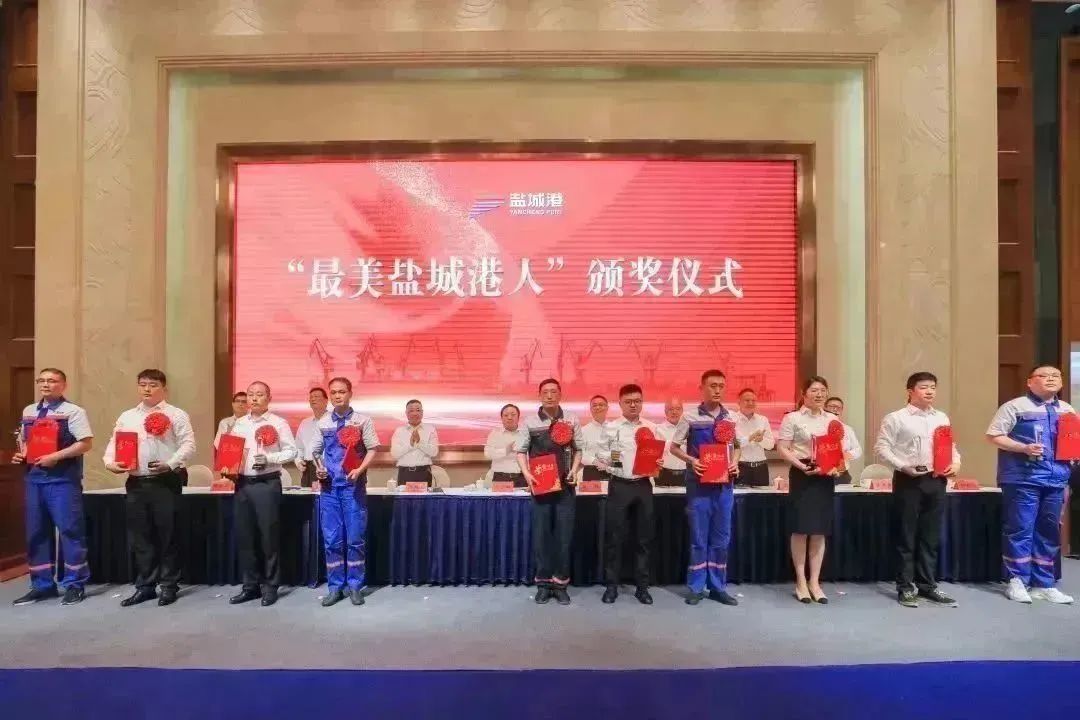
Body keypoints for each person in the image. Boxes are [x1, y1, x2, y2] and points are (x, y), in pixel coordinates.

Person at [103, 369, 196, 607]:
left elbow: (188, 445)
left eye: (153, 385)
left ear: (164, 389)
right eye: (142, 384)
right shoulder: (127, 416)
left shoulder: (176, 414)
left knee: (168, 535)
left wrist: (170, 464)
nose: (147, 389)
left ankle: (169, 586)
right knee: (140, 537)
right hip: (136, 482)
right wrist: (110, 463)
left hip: (166, 481)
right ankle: (145, 587)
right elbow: (114, 443)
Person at [986, 364, 1076, 604]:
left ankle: (1043, 584)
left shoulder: (1067, 409)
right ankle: (1017, 581)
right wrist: (1023, 447)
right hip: (1023, 478)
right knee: (1020, 529)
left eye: (1055, 375)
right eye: (1044, 375)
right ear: (1030, 381)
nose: (1050, 379)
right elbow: (993, 435)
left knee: (1049, 531)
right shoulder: (1015, 406)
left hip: (1056, 479)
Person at [874, 372, 960, 608]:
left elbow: (950, 446)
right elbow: (881, 448)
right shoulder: (896, 418)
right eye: (924, 387)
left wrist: (956, 463)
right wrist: (903, 466)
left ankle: (927, 585)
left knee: (930, 536)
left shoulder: (941, 417)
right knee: (907, 534)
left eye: (933, 387)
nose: (929, 391)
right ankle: (905, 587)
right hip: (909, 479)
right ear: (910, 391)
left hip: (937, 479)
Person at [11, 368, 94, 606]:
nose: (46, 384)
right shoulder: (29, 410)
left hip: (62, 480)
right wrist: (22, 454)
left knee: (70, 531)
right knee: (36, 532)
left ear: (63, 385)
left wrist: (56, 456)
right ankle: (42, 585)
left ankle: (74, 585)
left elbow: (85, 444)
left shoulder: (73, 412)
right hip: (34, 479)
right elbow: (27, 442)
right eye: (42, 380)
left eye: (52, 380)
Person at [670, 369, 741, 606]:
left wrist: (735, 462)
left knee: (722, 538)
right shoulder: (690, 417)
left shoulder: (731, 417)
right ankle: (696, 587)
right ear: (701, 388)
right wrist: (693, 461)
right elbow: (674, 447)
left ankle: (718, 587)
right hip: (699, 486)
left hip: (724, 487)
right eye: (712, 385)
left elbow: (737, 446)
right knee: (699, 538)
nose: (717, 390)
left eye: (721, 386)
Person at [310, 377, 379, 607]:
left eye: (342, 391)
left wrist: (360, 469)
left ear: (350, 393)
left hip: (353, 488)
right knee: (332, 540)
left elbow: (373, 448)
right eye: (333, 392)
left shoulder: (362, 420)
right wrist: (319, 468)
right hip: (329, 489)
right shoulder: (323, 422)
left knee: (355, 540)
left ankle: (355, 586)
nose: (337, 396)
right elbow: (315, 451)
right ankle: (335, 587)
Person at [226, 381, 296, 607]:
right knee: (245, 537)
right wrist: (228, 467)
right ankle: (250, 586)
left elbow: (292, 451)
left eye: (259, 394)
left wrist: (269, 459)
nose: (254, 398)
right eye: (250, 394)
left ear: (269, 398)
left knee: (268, 537)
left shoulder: (278, 423)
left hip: (267, 484)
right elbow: (231, 451)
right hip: (242, 484)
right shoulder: (239, 423)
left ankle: (270, 586)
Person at [516, 378, 583, 605]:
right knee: (542, 536)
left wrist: (574, 470)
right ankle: (543, 584)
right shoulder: (530, 422)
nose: (550, 395)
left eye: (554, 391)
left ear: (560, 394)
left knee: (564, 537)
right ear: (539, 395)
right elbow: (521, 451)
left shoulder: (571, 419)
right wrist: (527, 474)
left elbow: (579, 449)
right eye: (545, 392)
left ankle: (561, 583)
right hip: (541, 487)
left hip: (566, 487)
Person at [777, 376, 841, 604]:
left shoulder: (833, 419)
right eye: (814, 390)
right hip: (802, 474)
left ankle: (815, 582)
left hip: (824, 477)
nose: (819, 394)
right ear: (804, 394)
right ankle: (800, 582)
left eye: (823, 390)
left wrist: (835, 466)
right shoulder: (792, 418)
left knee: (819, 530)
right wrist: (801, 466)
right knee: (801, 528)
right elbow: (783, 447)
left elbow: (837, 448)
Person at [595, 384, 657, 605]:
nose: (633, 405)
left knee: (643, 539)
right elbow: (600, 454)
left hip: (643, 485)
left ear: (642, 403)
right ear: (620, 403)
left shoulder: (651, 427)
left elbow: (657, 454)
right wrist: (614, 459)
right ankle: (611, 586)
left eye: (637, 401)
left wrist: (658, 461)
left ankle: (642, 587)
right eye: (628, 401)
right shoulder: (611, 427)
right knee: (614, 538)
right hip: (620, 485)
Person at [390, 399, 439, 486]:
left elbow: (434, 452)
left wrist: (420, 443)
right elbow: (394, 454)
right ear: (406, 413)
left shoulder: (430, 429)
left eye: (418, 410)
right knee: (403, 495)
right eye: (411, 410)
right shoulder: (399, 431)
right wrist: (410, 445)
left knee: (424, 495)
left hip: (424, 472)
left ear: (422, 412)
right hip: (404, 472)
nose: (415, 413)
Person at [734, 388, 775, 488]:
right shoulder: (733, 419)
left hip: (761, 468)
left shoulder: (763, 419)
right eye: (747, 400)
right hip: (740, 467)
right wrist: (750, 438)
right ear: (739, 402)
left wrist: (761, 440)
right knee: (739, 497)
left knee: (762, 497)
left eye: (753, 400)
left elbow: (770, 445)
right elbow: (734, 445)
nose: (751, 403)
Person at [483, 404, 527, 488]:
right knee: (501, 497)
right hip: (501, 477)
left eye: (513, 415)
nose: (509, 418)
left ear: (518, 417)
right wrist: (506, 450)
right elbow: (487, 454)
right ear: (502, 418)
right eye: (506, 415)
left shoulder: (526, 434)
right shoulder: (495, 434)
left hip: (522, 478)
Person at [295, 387, 329, 488]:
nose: (313, 399)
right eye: (311, 397)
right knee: (308, 496)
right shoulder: (305, 423)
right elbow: (298, 447)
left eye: (317, 396)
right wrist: (298, 461)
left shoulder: (333, 421)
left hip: (327, 467)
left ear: (326, 401)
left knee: (327, 496)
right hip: (308, 468)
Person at [823, 396, 863, 484]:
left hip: (842, 475)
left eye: (839, 408)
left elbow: (858, 449)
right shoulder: (818, 427)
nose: (835, 409)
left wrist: (846, 454)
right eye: (832, 406)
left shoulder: (847, 429)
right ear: (824, 408)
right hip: (821, 475)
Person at [654, 397, 686, 488]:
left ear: (682, 410)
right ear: (665, 411)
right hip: (664, 475)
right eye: (671, 409)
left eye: (678, 409)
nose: (674, 412)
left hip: (686, 475)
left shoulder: (690, 429)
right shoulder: (657, 429)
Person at [580, 395, 610, 482]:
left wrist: (610, 461)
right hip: (591, 471)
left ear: (607, 408)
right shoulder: (583, 430)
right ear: (590, 409)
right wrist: (595, 462)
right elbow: (580, 453)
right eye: (594, 405)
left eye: (601, 405)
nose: (598, 407)